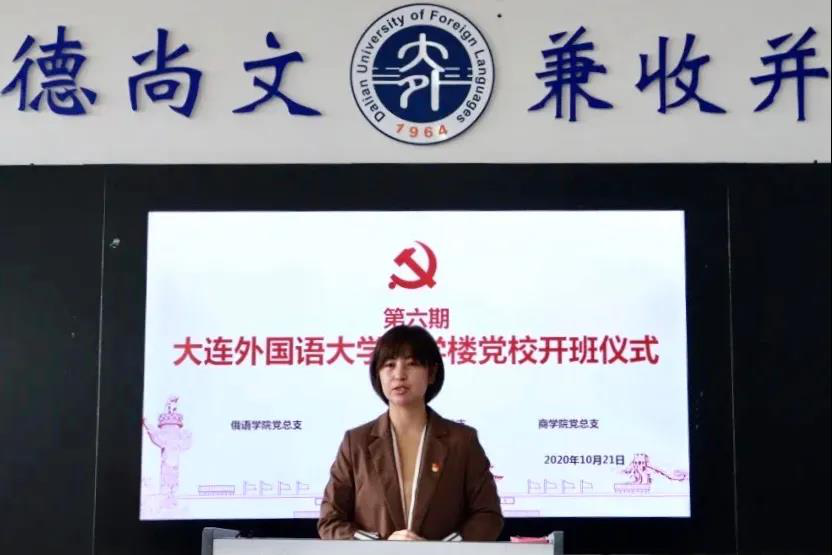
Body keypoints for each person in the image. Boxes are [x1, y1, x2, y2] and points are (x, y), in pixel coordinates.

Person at [318, 325, 503, 541]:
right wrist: (379, 547)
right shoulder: (356, 443)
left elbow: (488, 516)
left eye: (412, 364)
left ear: (431, 373)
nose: (399, 375)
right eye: (389, 365)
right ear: (378, 374)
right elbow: (330, 521)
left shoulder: (462, 441)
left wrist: (440, 550)